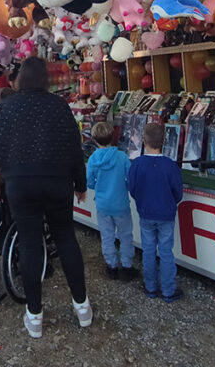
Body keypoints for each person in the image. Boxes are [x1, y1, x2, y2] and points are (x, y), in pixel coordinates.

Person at [0, 57, 91, 339]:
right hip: (57, 182)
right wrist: (80, 184)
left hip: (20, 184)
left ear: (21, 79)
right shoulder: (59, 106)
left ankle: (35, 316)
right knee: (66, 239)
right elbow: (74, 148)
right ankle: (82, 307)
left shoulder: (8, 108)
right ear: (45, 79)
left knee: (31, 245)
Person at [128, 123, 184, 303]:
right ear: (165, 141)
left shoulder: (137, 164)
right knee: (166, 252)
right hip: (166, 214)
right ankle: (168, 290)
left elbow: (133, 189)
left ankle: (150, 286)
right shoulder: (171, 166)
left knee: (149, 250)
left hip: (146, 213)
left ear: (143, 141)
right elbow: (178, 193)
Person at [86, 121, 138, 281]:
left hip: (102, 205)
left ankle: (111, 266)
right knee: (126, 236)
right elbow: (130, 180)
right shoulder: (122, 157)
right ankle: (127, 267)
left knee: (107, 237)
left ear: (94, 139)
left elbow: (89, 182)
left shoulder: (93, 159)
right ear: (113, 136)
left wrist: (98, 186)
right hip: (121, 204)